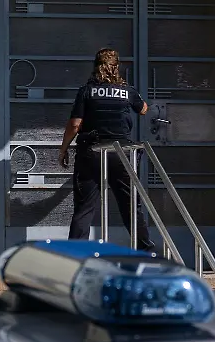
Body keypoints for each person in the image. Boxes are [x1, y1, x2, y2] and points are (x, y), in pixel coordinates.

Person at [59, 48, 156, 251]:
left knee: (85, 208)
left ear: (95, 67)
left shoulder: (86, 91)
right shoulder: (127, 91)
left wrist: (64, 149)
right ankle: (146, 251)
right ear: (117, 66)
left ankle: (75, 255)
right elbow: (144, 109)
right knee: (130, 205)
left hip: (91, 152)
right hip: (122, 154)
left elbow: (75, 124)